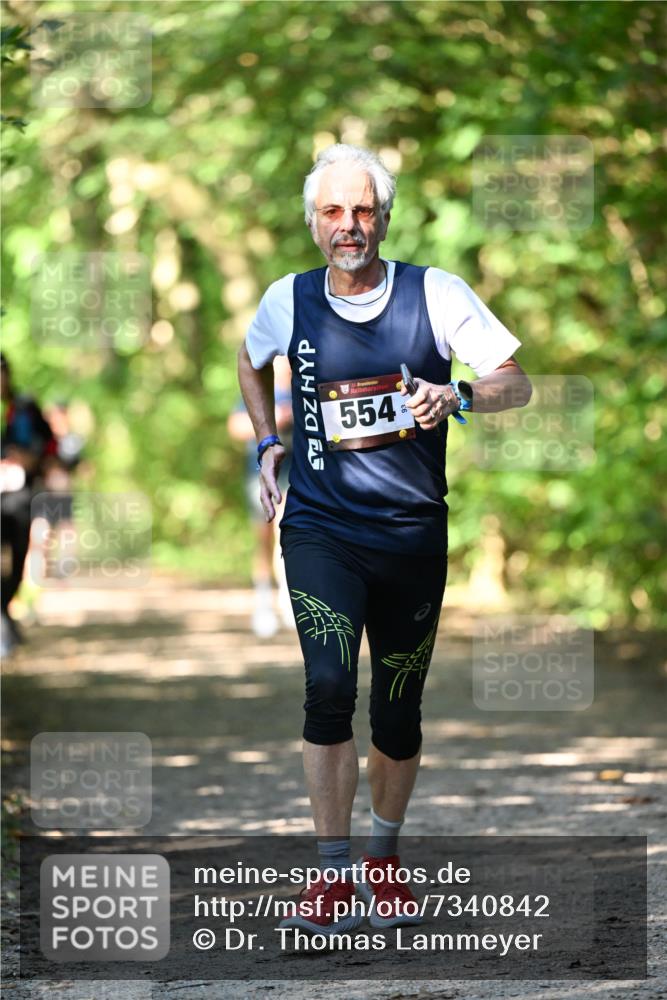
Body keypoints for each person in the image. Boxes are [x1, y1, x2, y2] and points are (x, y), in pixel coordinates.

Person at [237, 144, 532, 935]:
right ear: (311, 222)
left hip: (410, 534)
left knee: (397, 710)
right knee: (329, 687)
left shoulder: (435, 293)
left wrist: (458, 395)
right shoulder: (288, 299)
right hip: (320, 530)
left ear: (384, 216)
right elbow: (249, 357)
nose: (348, 226)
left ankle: (383, 861)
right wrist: (269, 443)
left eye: (362, 210)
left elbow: (515, 379)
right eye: (332, 212)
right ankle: (331, 876)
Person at [227, 356, 294, 638]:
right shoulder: (255, 390)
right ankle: (263, 602)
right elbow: (235, 426)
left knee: (289, 536)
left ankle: (289, 602)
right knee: (264, 538)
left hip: (293, 475)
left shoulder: (300, 391)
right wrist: (272, 422)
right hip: (258, 475)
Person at [1, 354, 57, 655]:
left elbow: (49, 446)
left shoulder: (24, 408)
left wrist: (29, 459)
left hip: (20, 498)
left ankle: (5, 610)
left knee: (19, 556)